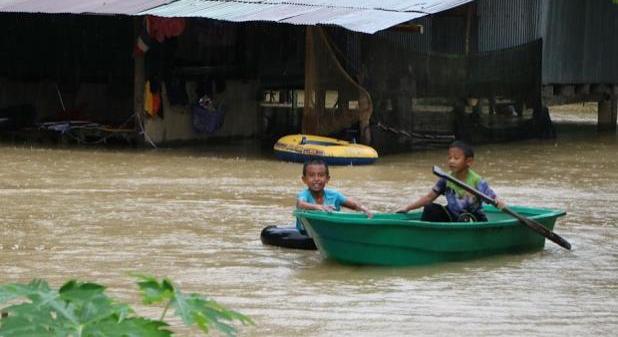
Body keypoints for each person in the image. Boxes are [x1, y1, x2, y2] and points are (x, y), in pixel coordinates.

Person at [396, 141, 505, 222]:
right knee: (430, 209)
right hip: (453, 216)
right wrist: (407, 208)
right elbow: (429, 197)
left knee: (466, 219)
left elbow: (492, 197)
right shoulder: (446, 178)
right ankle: (427, 235)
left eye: (456, 158)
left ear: (469, 161)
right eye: (450, 158)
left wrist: (498, 201)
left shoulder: (477, 181)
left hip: (473, 219)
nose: (451, 161)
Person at [296, 159, 372, 233]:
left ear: (327, 179)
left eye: (321, 175)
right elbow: (300, 204)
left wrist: (363, 208)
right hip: (306, 232)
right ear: (304, 179)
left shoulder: (334, 196)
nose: (316, 179)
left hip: (330, 231)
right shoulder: (304, 195)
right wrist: (319, 207)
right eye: (312, 175)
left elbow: (353, 205)